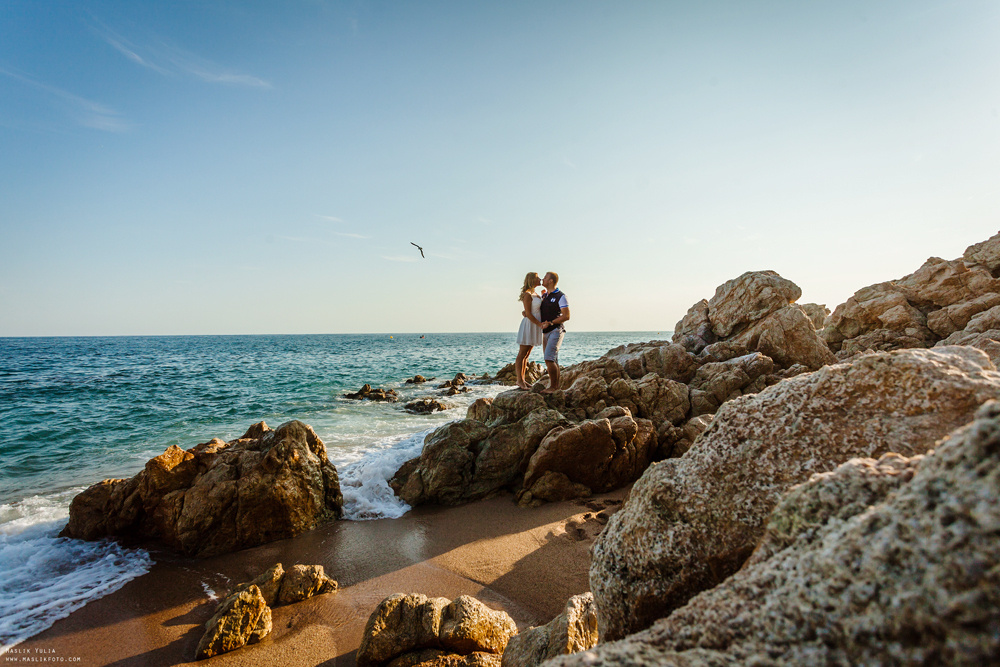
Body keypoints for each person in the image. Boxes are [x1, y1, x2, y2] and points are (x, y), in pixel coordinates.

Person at [538, 272, 570, 393]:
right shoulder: (545, 296)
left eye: (545, 277)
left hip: (556, 330)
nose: (543, 278)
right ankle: (556, 387)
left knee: (549, 359)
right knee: (553, 360)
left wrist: (551, 323)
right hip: (545, 332)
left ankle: (553, 387)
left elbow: (566, 316)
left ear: (551, 281)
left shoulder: (561, 296)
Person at [515, 272, 544, 389]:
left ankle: (523, 380)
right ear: (532, 280)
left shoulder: (535, 293)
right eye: (537, 277)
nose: (540, 279)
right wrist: (540, 324)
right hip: (529, 325)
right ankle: (519, 380)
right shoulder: (527, 294)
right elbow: (528, 313)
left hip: (535, 325)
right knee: (522, 354)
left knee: (527, 354)